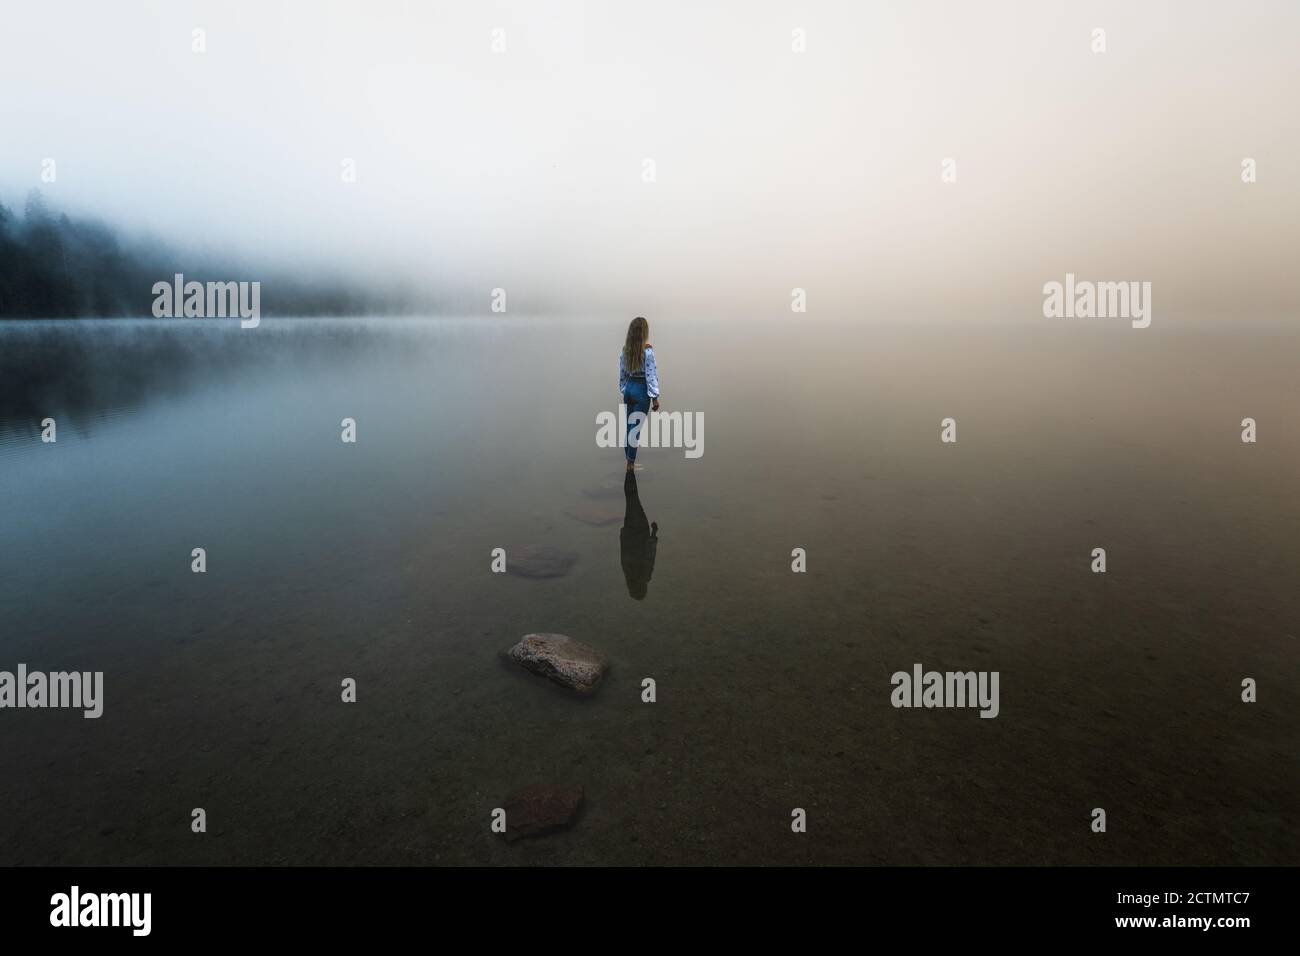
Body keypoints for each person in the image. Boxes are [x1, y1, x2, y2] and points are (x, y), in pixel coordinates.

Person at [617, 316, 660, 472]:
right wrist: (655, 398)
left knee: (629, 428)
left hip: (629, 389)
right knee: (635, 430)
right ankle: (631, 465)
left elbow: (622, 372)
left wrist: (624, 389)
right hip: (642, 390)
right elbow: (651, 375)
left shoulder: (625, 350)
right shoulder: (647, 351)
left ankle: (629, 461)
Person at [620, 472, 658, 600]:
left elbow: (649, 556)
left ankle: (630, 471)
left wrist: (654, 534)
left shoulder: (639, 575)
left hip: (639, 532)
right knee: (631, 500)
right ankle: (630, 472)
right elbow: (624, 554)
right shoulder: (629, 573)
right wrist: (622, 534)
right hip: (630, 532)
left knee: (632, 499)